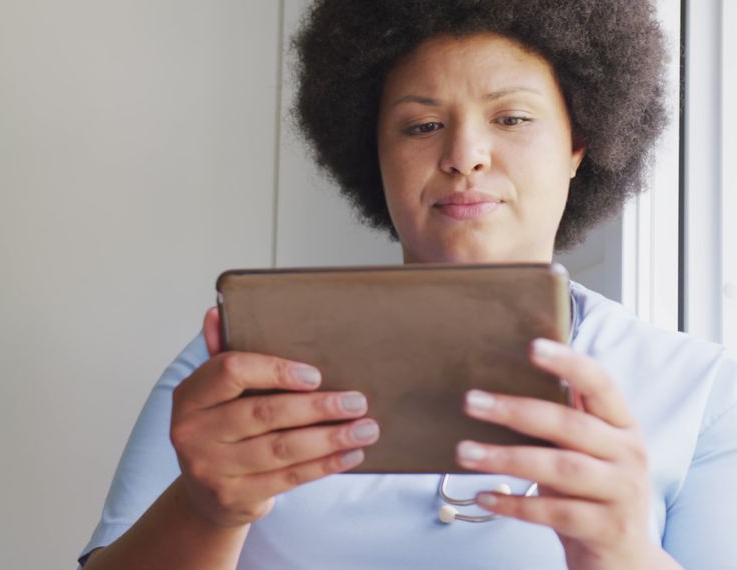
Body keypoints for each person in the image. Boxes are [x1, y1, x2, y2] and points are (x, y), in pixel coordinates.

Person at [78, 0, 737, 568]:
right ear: (376, 154)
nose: (464, 156)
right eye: (422, 125)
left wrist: (624, 554)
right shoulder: (234, 371)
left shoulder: (699, 390)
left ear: (578, 144)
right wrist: (205, 510)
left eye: (511, 118)